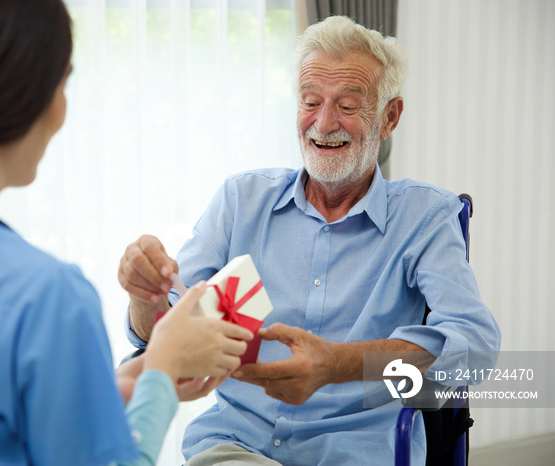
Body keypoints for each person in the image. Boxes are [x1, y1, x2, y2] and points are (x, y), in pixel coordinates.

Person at [0, 1, 255, 465]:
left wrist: (126, 387)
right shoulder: (48, 298)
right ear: (29, 99)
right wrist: (161, 374)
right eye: (63, 81)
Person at [118, 16, 501, 465]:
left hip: (357, 453)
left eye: (348, 105)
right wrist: (144, 297)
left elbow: (474, 345)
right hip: (236, 448)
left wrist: (338, 364)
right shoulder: (242, 200)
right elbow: (164, 335)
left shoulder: (425, 217)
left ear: (389, 117)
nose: (323, 123)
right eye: (310, 101)